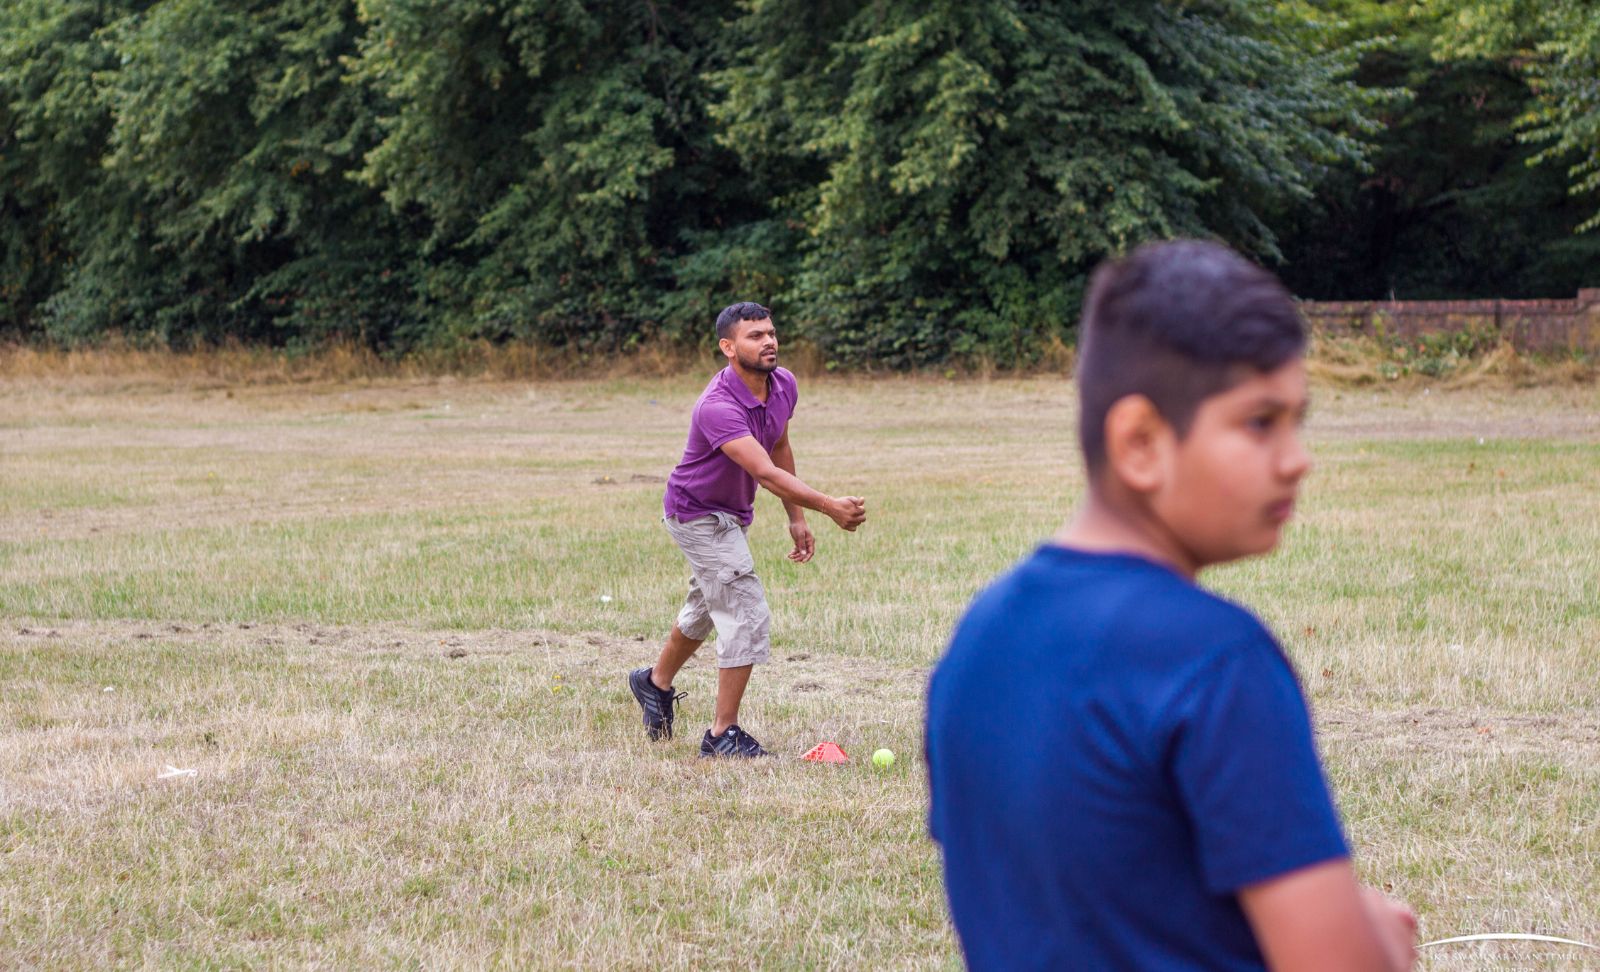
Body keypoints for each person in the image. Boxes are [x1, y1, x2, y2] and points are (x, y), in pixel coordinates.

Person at [924, 241, 1418, 971]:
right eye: (1261, 422)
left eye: (1298, 421)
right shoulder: (1217, 661)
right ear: (1141, 444)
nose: (1298, 459)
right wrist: (1376, 939)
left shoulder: (979, 636)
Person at [630, 301, 867, 758]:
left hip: (733, 513)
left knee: (706, 606)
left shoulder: (784, 384)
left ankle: (654, 684)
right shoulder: (716, 406)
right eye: (755, 336)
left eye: (771, 333)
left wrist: (796, 517)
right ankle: (722, 735)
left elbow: (778, 445)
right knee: (743, 609)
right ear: (728, 347)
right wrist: (826, 506)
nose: (769, 341)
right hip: (697, 514)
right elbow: (765, 472)